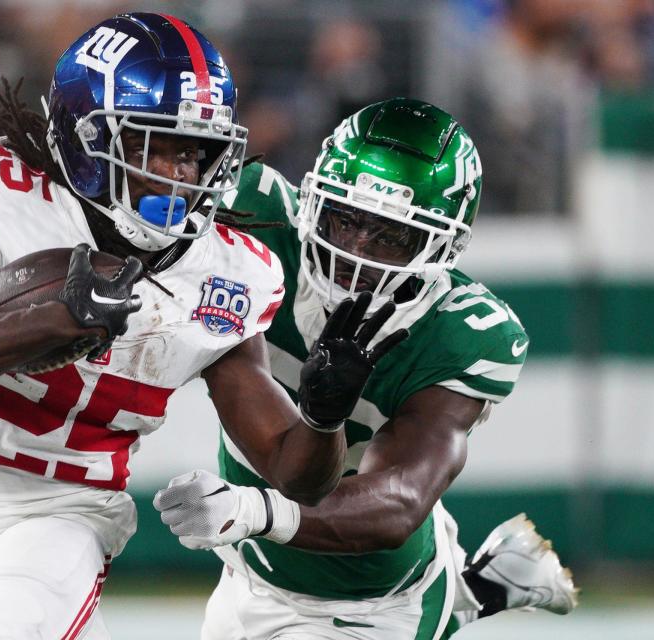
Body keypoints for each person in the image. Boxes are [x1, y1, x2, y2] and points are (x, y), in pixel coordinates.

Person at [0, 13, 404, 640]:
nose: (183, 174)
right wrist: (50, 320)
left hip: (66, 512)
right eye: (157, 146)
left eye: (197, 152)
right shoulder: (11, 194)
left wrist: (322, 416)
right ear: (83, 134)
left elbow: (293, 472)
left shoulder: (229, 270)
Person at [153, 98, 579, 639]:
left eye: (391, 236)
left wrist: (253, 510)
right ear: (311, 201)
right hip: (248, 575)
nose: (356, 253)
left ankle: (465, 596)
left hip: (366, 607)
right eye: (345, 219)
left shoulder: (461, 332)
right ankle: (481, 589)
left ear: (442, 246)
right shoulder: (252, 218)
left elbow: (399, 502)